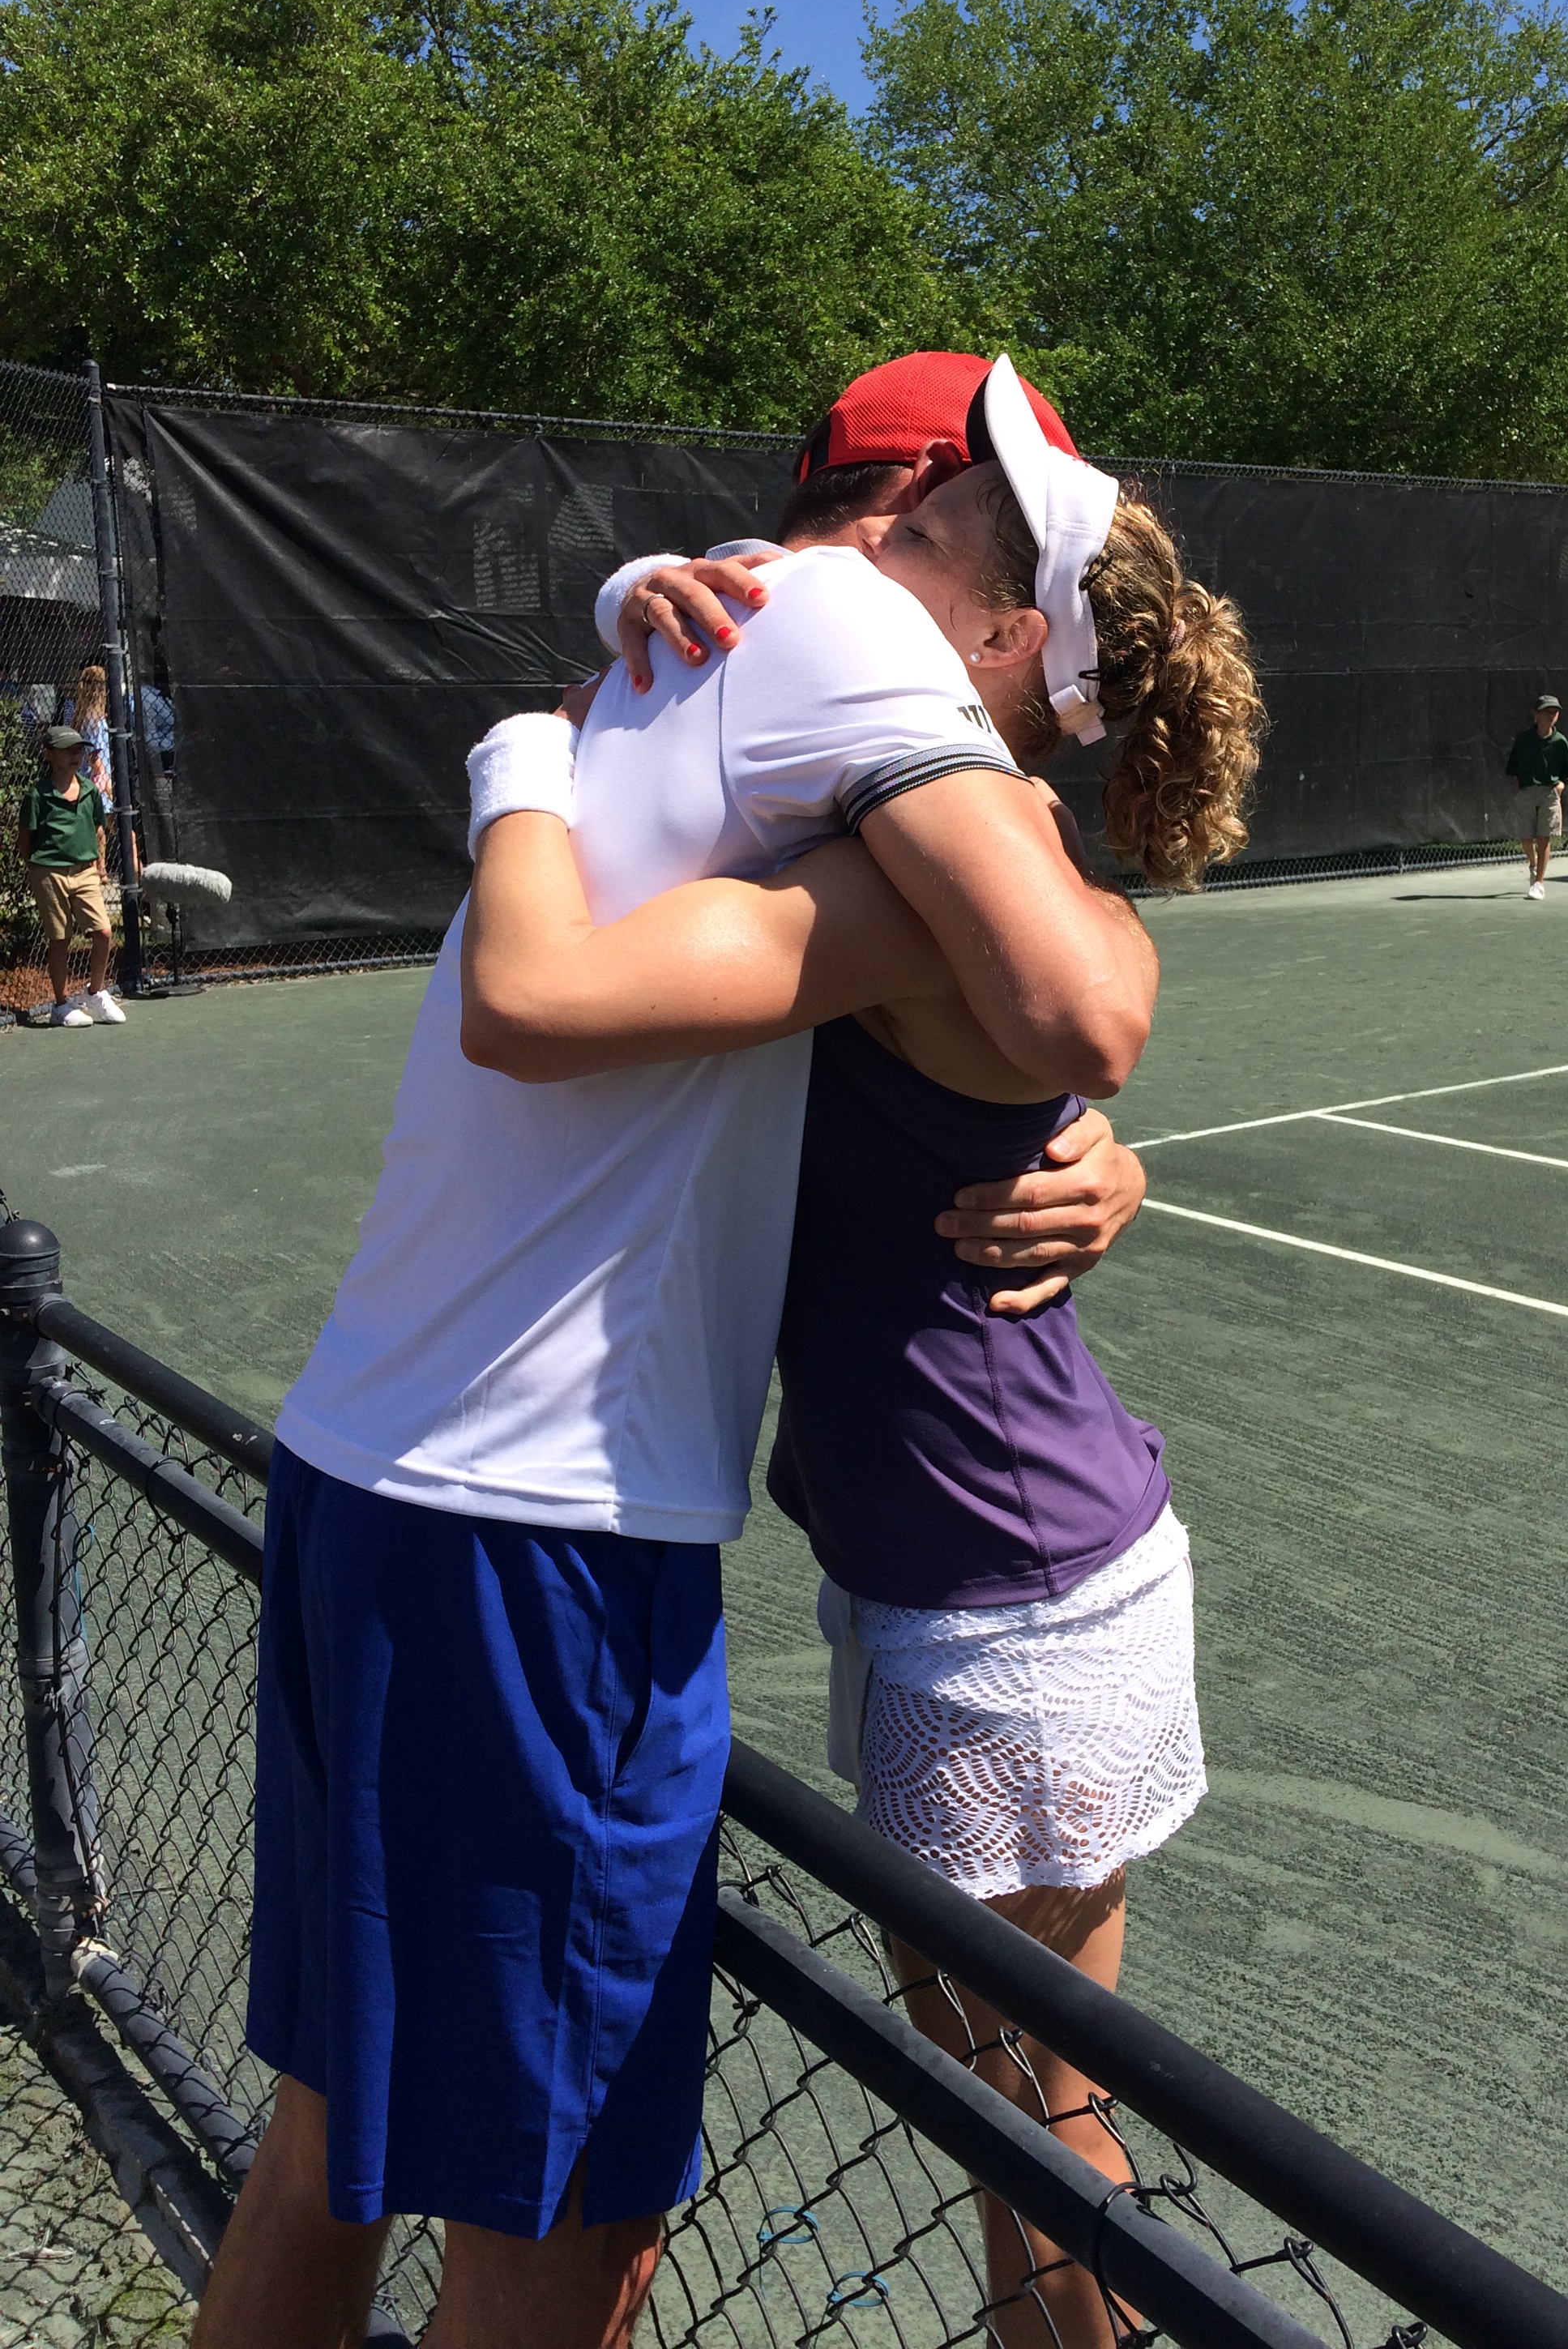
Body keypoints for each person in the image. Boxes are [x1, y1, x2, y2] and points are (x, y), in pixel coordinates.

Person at [191, 354, 1156, 2349]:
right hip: (537, 1540)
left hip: (372, 1475)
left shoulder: (671, 647)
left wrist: (1086, 1156)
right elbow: (1074, 995)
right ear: (917, 505)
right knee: (564, 2235)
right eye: (1012, 581)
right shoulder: (829, 621)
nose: (1004, 646)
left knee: (328, 2156)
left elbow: (985, 1050)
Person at [464, 356, 1263, 2349]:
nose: (849, 571)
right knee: (999, 2103)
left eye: (914, 534)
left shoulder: (942, 877)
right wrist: (638, 588)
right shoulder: (900, 837)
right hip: (959, 1571)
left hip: (1021, 1591)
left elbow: (1082, 1003)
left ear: (1002, 643)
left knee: (1030, 2113)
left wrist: (1115, 1150)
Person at [16, 724, 125, 1026]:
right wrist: (40, 869)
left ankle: (95, 991)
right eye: (68, 750)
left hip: (86, 872)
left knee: (103, 932)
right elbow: (25, 840)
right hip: (48, 873)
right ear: (49, 754)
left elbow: (99, 828)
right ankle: (61, 1006)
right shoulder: (36, 795)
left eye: (79, 749)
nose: (76, 755)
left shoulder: (90, 790)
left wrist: (99, 865)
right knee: (60, 939)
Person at [1506, 694, 1568, 900]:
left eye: (1554, 713)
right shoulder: (1524, 740)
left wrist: (1560, 787)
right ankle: (1533, 865)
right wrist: (1520, 792)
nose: (1551, 716)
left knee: (1544, 837)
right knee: (1527, 839)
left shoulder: (1561, 742)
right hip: (1527, 792)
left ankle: (1539, 883)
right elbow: (1514, 768)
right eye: (1546, 713)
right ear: (1536, 715)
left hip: (1549, 794)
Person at [62, 661, 113, 801]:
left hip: (83, 780)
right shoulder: (96, 722)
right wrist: (111, 793)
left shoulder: (80, 717)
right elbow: (95, 759)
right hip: (100, 785)